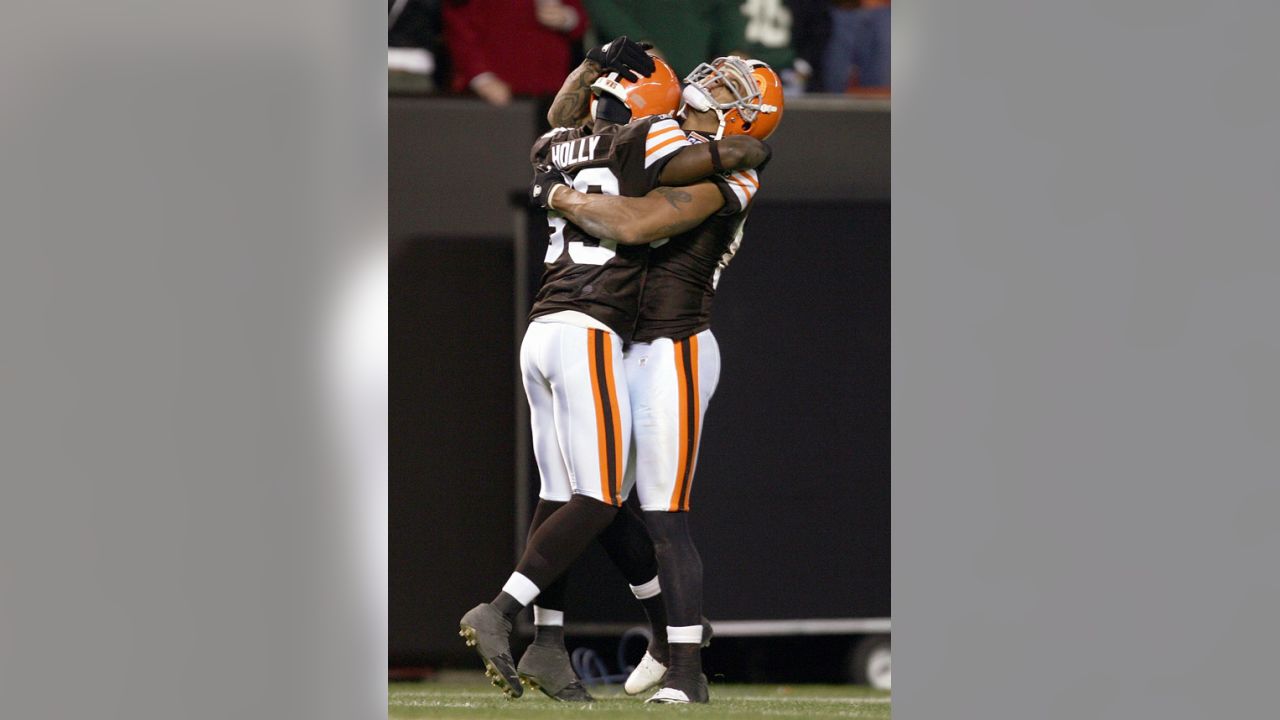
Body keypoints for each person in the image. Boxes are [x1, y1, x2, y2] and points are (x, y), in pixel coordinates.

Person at [458, 38, 771, 703]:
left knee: (660, 511)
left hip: (673, 346)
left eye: (732, 88)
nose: (713, 82)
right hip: (612, 339)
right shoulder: (651, 140)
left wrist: (559, 196)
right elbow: (575, 127)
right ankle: (588, 639)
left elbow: (638, 222)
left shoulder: (725, 170)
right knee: (589, 500)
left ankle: (685, 671)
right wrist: (592, 70)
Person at [440, 0, 589, 106]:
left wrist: (567, 18)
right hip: (498, 92)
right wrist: (482, 78)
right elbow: (459, 29)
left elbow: (579, 22)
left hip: (551, 88)